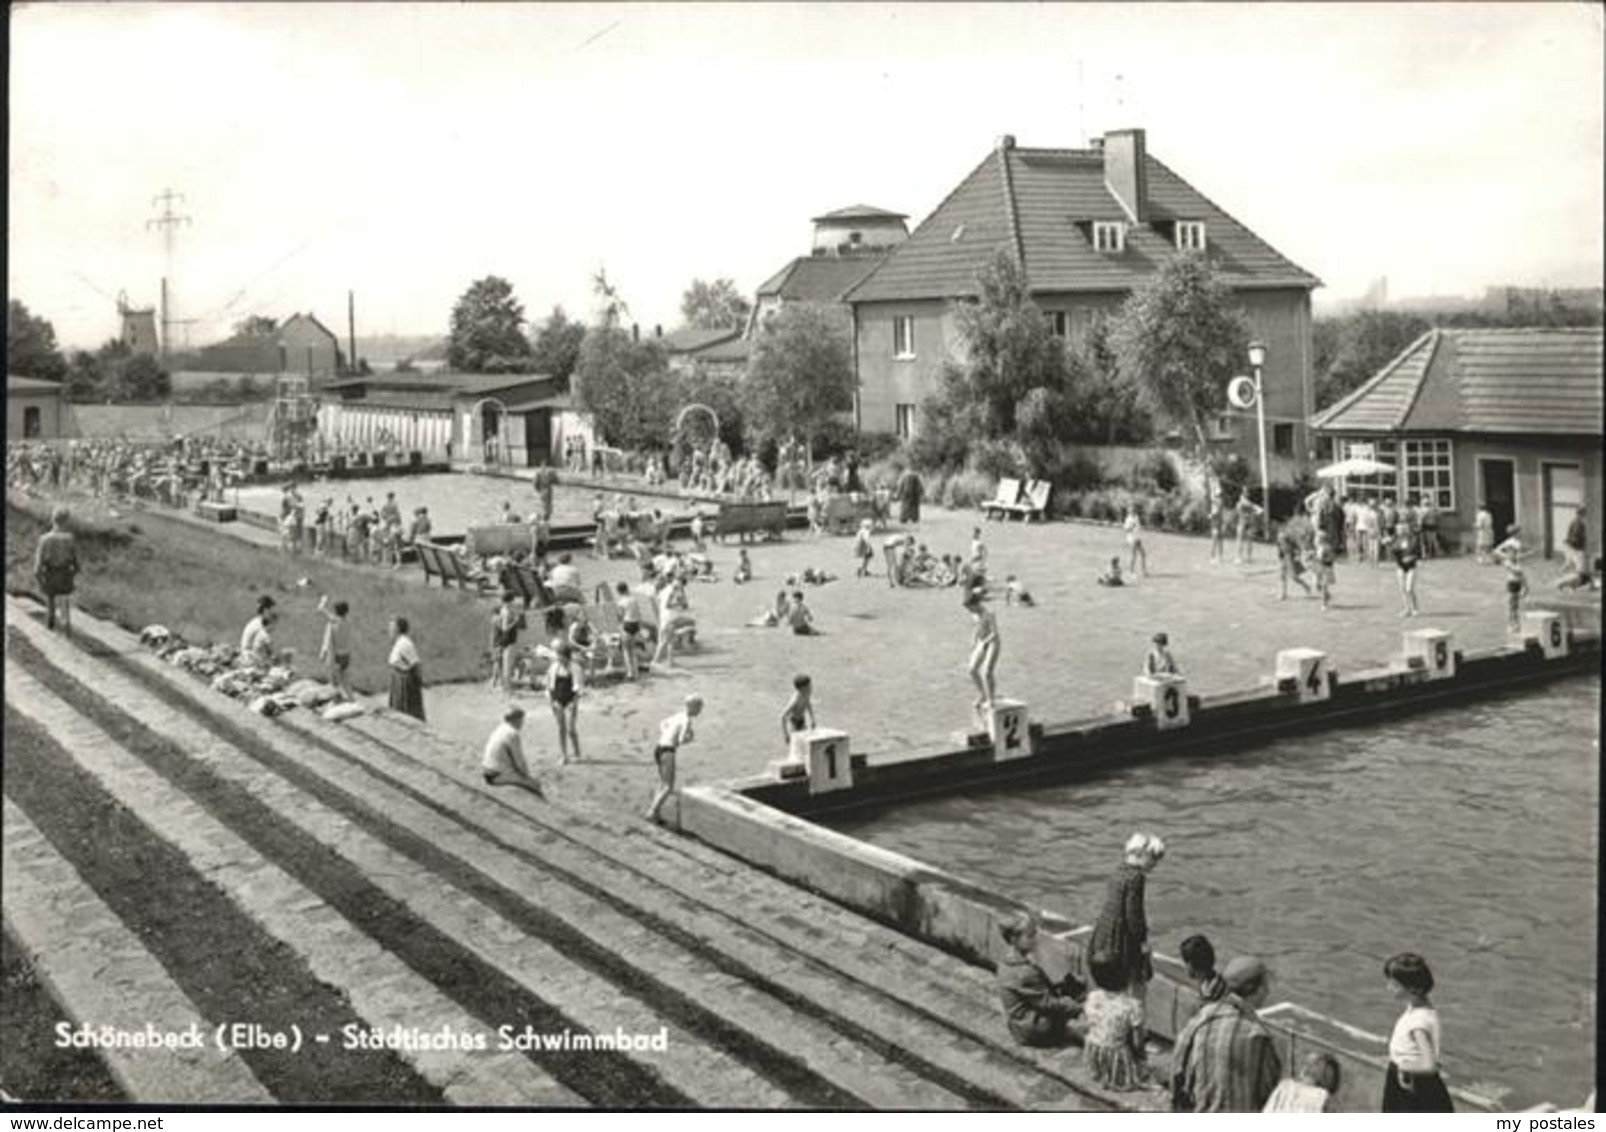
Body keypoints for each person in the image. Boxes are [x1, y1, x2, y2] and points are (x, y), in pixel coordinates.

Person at [1169, 956, 1282, 1112]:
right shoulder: (1256, 1036)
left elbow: (1176, 1073)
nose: (1268, 991)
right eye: (1265, 985)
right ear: (1254, 989)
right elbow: (1270, 1095)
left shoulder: (1199, 1019)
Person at [1088, 832, 1164, 998]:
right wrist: (1142, 943)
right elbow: (1134, 916)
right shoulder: (1136, 877)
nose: (1154, 864)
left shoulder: (1118, 870)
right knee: (1133, 977)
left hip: (1104, 931)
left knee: (1108, 978)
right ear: (1141, 855)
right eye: (1153, 858)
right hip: (1120, 937)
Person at [995, 912, 1084, 1048]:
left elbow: (1037, 991)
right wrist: (1079, 1008)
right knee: (1077, 999)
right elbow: (1047, 1003)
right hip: (1036, 1030)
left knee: (1069, 987)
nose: (1035, 939)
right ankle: (1068, 1033)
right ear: (1014, 939)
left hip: (1019, 1026)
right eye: (1030, 936)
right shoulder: (1024, 972)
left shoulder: (1005, 963)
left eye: (1035, 934)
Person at [1382, 952, 1453, 1112]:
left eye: (1394, 985)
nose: (1389, 988)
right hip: (1407, 1078)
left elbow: (1429, 1066)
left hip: (1410, 1084)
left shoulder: (1418, 1023)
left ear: (1413, 989)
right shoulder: (1419, 1008)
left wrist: (1404, 1067)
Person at [1083, 954, 1148, 1090]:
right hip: (1115, 1054)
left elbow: (1089, 1022)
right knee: (1136, 1038)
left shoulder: (1093, 997)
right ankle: (1125, 1073)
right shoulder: (1132, 1005)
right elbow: (1137, 1043)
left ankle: (1098, 1071)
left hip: (1094, 1048)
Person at [646, 693, 702, 825]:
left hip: (659, 748)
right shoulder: (687, 720)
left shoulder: (678, 715)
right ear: (693, 707)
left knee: (662, 783)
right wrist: (690, 738)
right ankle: (652, 812)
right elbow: (682, 739)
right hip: (668, 752)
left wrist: (666, 733)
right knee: (668, 787)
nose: (700, 711)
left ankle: (656, 814)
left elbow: (662, 723)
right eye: (699, 708)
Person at [33, 506, 80, 634]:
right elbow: (77, 565)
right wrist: (72, 575)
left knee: (50, 600)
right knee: (64, 599)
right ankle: (66, 626)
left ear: (52, 520)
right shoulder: (70, 538)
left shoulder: (44, 539)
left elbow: (37, 567)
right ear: (66, 521)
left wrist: (39, 580)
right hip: (65, 575)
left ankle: (50, 625)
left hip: (50, 574)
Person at [481, 705, 544, 798]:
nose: (522, 723)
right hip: (497, 775)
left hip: (488, 771)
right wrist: (528, 777)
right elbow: (519, 761)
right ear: (516, 719)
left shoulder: (500, 728)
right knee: (535, 784)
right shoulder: (513, 733)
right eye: (522, 720)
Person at [1265, 1051, 1341, 1113]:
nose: (1307, 1067)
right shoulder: (1285, 1086)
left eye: (1315, 1064)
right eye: (1306, 1063)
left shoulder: (1321, 1096)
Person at [547, 641, 583, 765]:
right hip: (557, 699)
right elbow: (550, 686)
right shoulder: (553, 667)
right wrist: (553, 702)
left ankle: (577, 753)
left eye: (561, 657)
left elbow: (577, 688)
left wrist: (574, 703)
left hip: (571, 700)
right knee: (561, 728)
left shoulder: (575, 667)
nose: (559, 659)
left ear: (567, 656)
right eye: (558, 656)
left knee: (571, 729)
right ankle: (563, 755)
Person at [965, 588, 1000, 714]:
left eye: (971, 608)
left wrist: (985, 643)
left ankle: (991, 700)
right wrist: (974, 641)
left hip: (992, 642)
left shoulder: (989, 613)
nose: (970, 611)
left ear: (976, 604)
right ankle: (983, 694)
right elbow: (977, 628)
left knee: (987, 672)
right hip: (981, 642)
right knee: (972, 670)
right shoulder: (974, 614)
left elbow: (995, 633)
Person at [315, 595, 355, 702]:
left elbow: (321, 610)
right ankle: (352, 700)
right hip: (346, 656)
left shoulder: (333, 623)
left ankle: (336, 702)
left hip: (337, 657)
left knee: (334, 683)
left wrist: (323, 601)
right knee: (345, 682)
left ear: (335, 611)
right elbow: (328, 614)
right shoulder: (348, 622)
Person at [388, 616, 425, 721]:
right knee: (399, 707)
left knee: (407, 710)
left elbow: (416, 663)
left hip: (405, 682)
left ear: (398, 629)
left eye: (392, 628)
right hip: (398, 680)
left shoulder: (405, 644)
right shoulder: (399, 642)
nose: (389, 631)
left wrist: (418, 680)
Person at [489, 592, 527, 691]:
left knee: (506, 665)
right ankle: (507, 689)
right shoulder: (506, 611)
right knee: (507, 666)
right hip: (509, 641)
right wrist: (516, 621)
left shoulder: (504, 610)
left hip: (506, 641)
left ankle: (505, 687)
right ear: (511, 600)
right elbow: (505, 628)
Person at [1179, 934, 1227, 1005]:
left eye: (1186, 962)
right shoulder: (1205, 983)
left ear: (1192, 965)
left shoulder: (1213, 990)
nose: (1184, 966)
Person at [1393, 519, 1422, 617]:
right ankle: (1407, 609)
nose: (1397, 530)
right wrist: (1387, 544)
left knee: (1409, 588)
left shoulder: (1413, 538)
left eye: (1399, 529)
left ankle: (1415, 608)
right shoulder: (1396, 539)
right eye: (1397, 529)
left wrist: (1410, 558)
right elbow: (1394, 551)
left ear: (1405, 529)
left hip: (1411, 567)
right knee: (1402, 589)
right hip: (1400, 567)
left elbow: (1418, 554)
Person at [1277, 523, 1312, 600]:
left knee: (1293, 577)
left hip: (1289, 556)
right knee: (1282, 575)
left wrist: (1297, 556)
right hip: (1283, 557)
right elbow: (1280, 548)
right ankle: (1283, 594)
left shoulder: (1290, 536)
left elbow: (1297, 547)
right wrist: (1280, 556)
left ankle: (1306, 586)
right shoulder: (1279, 535)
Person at [240, 596, 278, 667]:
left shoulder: (256, 621)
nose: (272, 612)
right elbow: (268, 647)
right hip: (250, 658)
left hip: (247, 654)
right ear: (266, 609)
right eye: (271, 608)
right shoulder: (261, 626)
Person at [780, 674, 815, 750]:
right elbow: (783, 716)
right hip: (793, 722)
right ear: (802, 688)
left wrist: (812, 719)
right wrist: (786, 735)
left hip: (802, 720)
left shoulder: (807, 694)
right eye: (808, 686)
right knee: (795, 746)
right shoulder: (795, 699)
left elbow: (808, 704)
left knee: (806, 743)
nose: (811, 688)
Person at [1234, 491, 1263, 564]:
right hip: (1250, 523)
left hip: (1242, 523)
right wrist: (1253, 514)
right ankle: (1249, 558)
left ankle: (1239, 558)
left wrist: (1246, 514)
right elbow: (1261, 511)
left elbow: (1238, 511)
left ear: (1242, 496)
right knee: (1249, 541)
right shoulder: (1250, 504)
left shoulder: (1240, 503)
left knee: (1240, 540)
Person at [1312, 528, 1337, 612]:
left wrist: (1322, 560)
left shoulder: (1327, 548)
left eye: (1317, 538)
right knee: (1317, 586)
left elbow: (1331, 559)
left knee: (1324, 586)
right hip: (1318, 569)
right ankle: (1327, 595)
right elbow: (1316, 557)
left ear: (1322, 539)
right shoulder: (1318, 547)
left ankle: (1324, 604)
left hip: (1326, 569)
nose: (1315, 540)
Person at [1562, 505, 1588, 579]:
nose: (1580, 516)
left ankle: (1569, 565)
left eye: (1581, 514)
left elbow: (1576, 535)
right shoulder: (1577, 523)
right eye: (1580, 514)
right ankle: (1578, 575)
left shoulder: (1579, 523)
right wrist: (1571, 541)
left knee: (1575, 560)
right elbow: (1574, 534)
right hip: (1575, 545)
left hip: (1575, 545)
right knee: (1578, 562)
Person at [1123, 507, 1148, 577]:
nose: (1133, 511)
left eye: (1134, 510)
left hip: (1137, 538)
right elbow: (1126, 530)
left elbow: (1138, 527)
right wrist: (1131, 526)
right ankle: (1130, 571)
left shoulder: (1137, 517)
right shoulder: (1128, 519)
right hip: (1132, 539)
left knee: (1143, 554)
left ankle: (1144, 571)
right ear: (1129, 512)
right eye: (1131, 511)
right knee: (1133, 555)